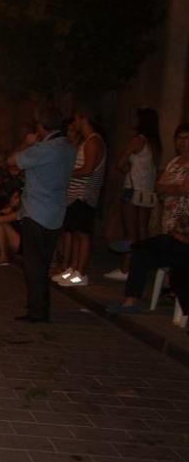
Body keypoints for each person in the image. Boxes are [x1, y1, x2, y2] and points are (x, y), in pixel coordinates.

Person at [109, 123, 189, 314]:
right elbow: (159, 187)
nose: (183, 142)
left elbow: (184, 189)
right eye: (180, 138)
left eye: (187, 138)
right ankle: (130, 301)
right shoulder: (174, 162)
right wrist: (174, 189)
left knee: (154, 245)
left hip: (183, 233)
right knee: (142, 255)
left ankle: (135, 243)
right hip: (169, 227)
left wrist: (171, 188)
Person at [8, 107, 76, 323]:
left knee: (33, 265)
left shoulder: (44, 149)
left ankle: (37, 311)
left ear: (41, 127)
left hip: (37, 211)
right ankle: (40, 306)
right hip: (56, 211)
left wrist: (27, 143)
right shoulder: (67, 147)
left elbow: (13, 161)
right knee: (43, 263)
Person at [105, 107, 162, 281]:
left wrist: (126, 168)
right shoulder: (155, 144)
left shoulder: (138, 140)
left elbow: (120, 162)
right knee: (142, 232)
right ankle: (140, 269)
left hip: (132, 190)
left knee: (129, 232)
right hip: (147, 192)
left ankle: (126, 269)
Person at [54, 110, 106, 287]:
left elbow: (88, 169)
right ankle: (73, 269)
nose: (74, 122)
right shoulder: (87, 141)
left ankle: (80, 273)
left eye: (76, 118)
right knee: (75, 232)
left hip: (84, 195)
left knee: (82, 234)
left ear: (84, 119)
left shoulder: (93, 142)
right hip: (75, 195)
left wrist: (65, 174)